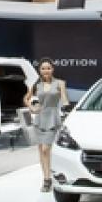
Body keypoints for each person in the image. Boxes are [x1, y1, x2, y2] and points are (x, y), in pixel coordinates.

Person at [24, 58, 69, 193]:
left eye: (48, 68)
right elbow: (26, 98)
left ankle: (51, 176)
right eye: (43, 68)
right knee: (41, 151)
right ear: (40, 70)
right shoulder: (36, 85)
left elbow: (64, 99)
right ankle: (46, 179)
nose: (46, 71)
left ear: (52, 69)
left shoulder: (60, 83)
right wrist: (31, 108)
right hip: (39, 119)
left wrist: (67, 109)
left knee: (46, 149)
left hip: (53, 119)